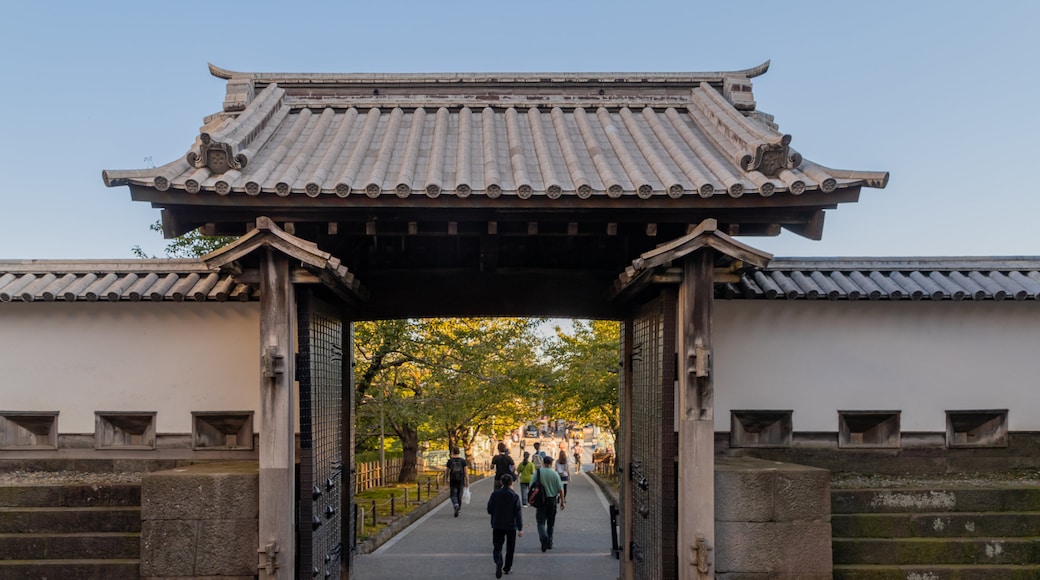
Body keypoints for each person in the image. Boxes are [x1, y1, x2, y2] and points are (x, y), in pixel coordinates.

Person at [486, 473, 523, 578]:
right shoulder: (514, 496)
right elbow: (518, 513)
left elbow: (489, 509)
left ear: (501, 482)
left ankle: (498, 561)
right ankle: (507, 568)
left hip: (497, 524)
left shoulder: (495, 494)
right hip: (511, 525)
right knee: (510, 548)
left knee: (497, 546)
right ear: (512, 483)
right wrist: (520, 528)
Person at [533, 454, 565, 552]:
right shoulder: (554, 474)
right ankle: (549, 542)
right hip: (552, 500)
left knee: (540, 522)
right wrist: (562, 502)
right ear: (551, 464)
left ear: (543, 463)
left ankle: (543, 537)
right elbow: (560, 489)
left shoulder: (537, 473)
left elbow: (531, 485)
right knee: (550, 523)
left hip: (540, 500)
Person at [444, 447, 469, 517]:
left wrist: (446, 479)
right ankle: (459, 509)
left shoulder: (450, 461)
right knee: (459, 495)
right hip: (461, 480)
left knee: (453, 495)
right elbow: (466, 473)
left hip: (453, 480)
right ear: (459, 452)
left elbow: (446, 472)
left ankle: (455, 504)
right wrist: (467, 481)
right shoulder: (463, 461)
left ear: (452, 452)